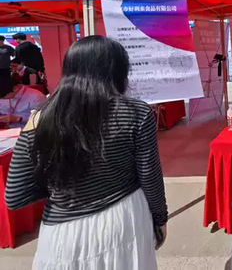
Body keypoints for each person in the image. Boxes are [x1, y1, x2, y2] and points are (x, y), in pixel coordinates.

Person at [5, 36, 167, 270]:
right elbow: (150, 176)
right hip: (125, 220)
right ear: (117, 71)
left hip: (62, 234)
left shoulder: (40, 118)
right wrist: (160, 219)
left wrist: (60, 187)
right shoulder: (136, 113)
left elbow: (15, 196)